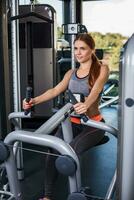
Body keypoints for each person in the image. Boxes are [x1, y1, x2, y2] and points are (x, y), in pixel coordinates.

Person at [23, 33, 109, 200]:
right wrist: (33, 101)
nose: (78, 52)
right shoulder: (71, 72)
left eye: (82, 48)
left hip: (93, 125)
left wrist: (87, 104)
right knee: (52, 152)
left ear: (91, 50)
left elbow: (96, 90)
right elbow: (54, 91)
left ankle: (76, 193)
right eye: (75, 48)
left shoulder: (101, 69)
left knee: (70, 153)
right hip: (73, 123)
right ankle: (47, 196)